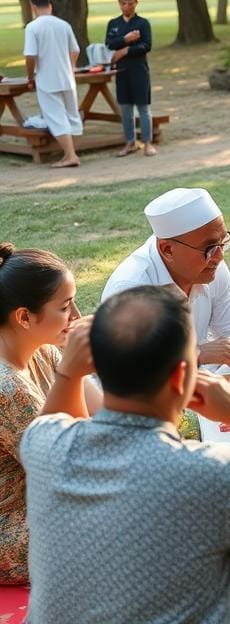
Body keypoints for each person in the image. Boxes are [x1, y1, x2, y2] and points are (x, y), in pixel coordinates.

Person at [21, 285, 230, 623]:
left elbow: (55, 420)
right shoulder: (214, 472)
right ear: (182, 377)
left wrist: (69, 372)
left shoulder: (42, 443)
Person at [0, 243, 101, 584]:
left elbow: (102, 419)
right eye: (64, 307)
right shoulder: (8, 389)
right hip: (14, 525)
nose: (76, 316)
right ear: (24, 317)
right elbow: (73, 466)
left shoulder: (44, 351)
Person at [102, 187, 230, 373]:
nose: (219, 257)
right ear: (167, 249)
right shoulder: (130, 288)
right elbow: (127, 369)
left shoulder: (211, 266)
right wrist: (197, 354)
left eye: (223, 242)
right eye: (209, 248)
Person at [23, 0, 82, 168]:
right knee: (72, 115)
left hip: (47, 79)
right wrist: (70, 67)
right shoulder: (64, 25)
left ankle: (70, 155)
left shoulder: (33, 27)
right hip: (66, 77)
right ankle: (71, 152)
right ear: (50, 5)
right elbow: (75, 51)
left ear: (34, 7)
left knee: (55, 117)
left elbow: (30, 56)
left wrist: (30, 76)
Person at [106, 0, 156, 157]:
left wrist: (126, 50)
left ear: (136, 3)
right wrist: (126, 40)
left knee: (143, 108)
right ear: (119, 3)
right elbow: (110, 44)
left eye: (131, 4)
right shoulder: (114, 24)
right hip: (121, 72)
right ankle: (130, 142)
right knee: (125, 109)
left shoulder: (142, 23)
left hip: (139, 71)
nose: (127, 7)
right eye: (124, 3)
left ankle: (148, 143)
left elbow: (146, 46)